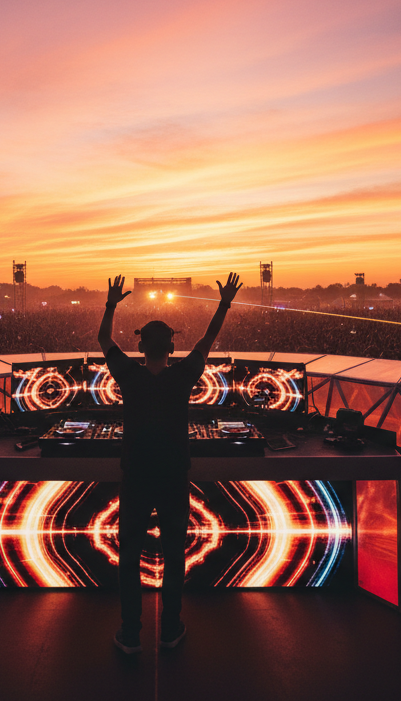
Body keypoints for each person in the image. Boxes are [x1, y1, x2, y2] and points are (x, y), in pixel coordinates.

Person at [101, 272, 242, 655]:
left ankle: (131, 634)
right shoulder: (182, 377)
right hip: (173, 478)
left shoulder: (128, 375)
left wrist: (112, 303)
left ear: (141, 347)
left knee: (128, 555)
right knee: (175, 555)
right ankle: (171, 629)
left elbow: (103, 341)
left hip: (136, 479)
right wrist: (224, 303)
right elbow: (208, 340)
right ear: (172, 347)